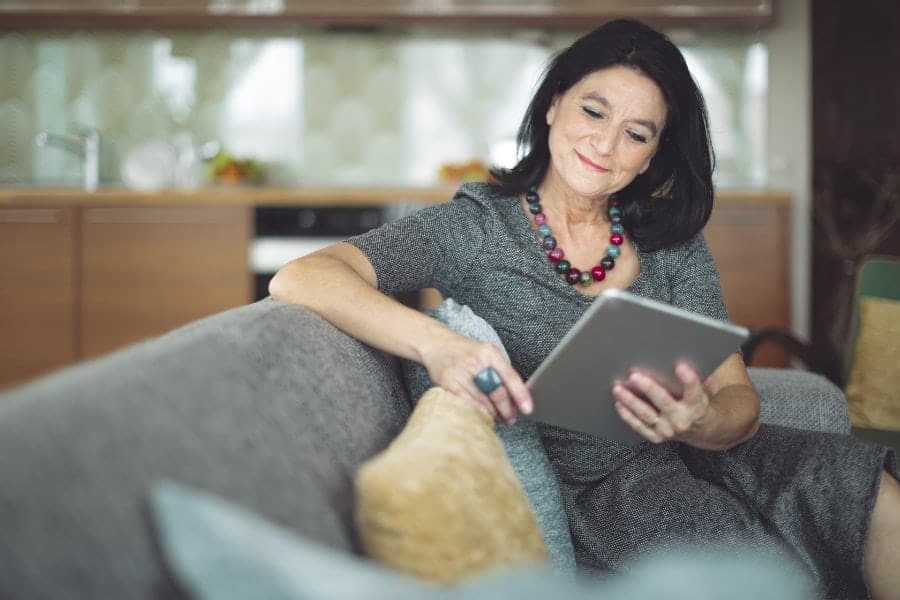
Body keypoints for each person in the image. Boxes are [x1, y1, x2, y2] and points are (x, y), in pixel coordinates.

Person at [270, 18, 900, 600]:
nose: (605, 143)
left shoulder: (671, 244)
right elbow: (304, 275)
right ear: (553, 105)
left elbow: (739, 403)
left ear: (652, 155)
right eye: (593, 111)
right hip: (601, 495)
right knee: (752, 567)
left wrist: (698, 421)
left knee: (867, 489)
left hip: (709, 456)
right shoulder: (476, 228)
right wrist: (441, 345)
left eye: (636, 134)